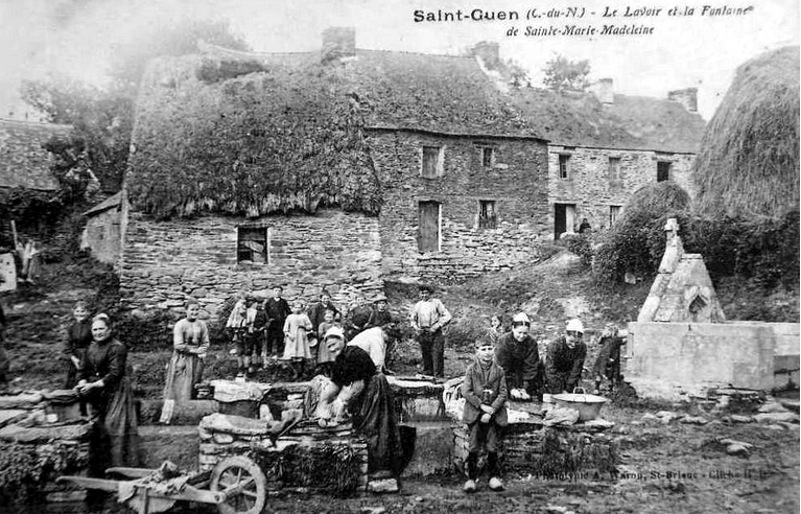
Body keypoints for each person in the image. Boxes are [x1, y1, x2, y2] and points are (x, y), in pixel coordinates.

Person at [310, 333, 405, 487]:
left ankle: (381, 469)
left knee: (374, 426)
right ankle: (373, 466)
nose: (332, 348)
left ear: (343, 341)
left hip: (375, 390)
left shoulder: (355, 354)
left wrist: (341, 403)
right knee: (364, 424)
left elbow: (358, 385)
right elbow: (336, 384)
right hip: (364, 392)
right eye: (329, 347)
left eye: (335, 344)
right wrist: (322, 402)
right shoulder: (340, 359)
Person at [76, 314, 139, 473]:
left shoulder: (117, 347)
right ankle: (101, 469)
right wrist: (82, 381)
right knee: (96, 428)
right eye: (95, 329)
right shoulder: (91, 347)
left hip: (116, 391)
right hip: (98, 393)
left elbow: (115, 374)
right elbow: (82, 369)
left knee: (114, 427)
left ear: (109, 330)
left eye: (101, 329)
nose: (98, 332)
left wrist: (92, 385)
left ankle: (120, 470)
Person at [461, 339, 508, 493]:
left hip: (493, 414)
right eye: (483, 349)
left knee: (492, 444)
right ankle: (471, 478)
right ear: (477, 351)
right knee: (473, 444)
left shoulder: (499, 371)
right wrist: (482, 407)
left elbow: (503, 393)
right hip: (476, 411)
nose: (487, 352)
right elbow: (466, 391)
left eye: (490, 348)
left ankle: (493, 477)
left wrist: (492, 410)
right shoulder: (471, 370)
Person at [162, 300, 209, 418]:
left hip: (197, 360)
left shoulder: (202, 325)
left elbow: (205, 342)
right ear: (186, 310)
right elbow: (178, 345)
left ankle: (190, 415)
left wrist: (202, 351)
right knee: (180, 386)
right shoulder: (180, 324)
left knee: (195, 384)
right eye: (192, 309)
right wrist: (193, 350)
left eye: (197, 309)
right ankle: (175, 414)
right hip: (182, 359)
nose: (194, 312)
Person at [495, 312, 542, 401]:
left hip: (522, 375)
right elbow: (502, 367)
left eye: (525, 333)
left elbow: (531, 367)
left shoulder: (531, 343)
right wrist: (511, 389)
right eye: (519, 332)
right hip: (506, 375)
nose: (522, 336)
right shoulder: (503, 341)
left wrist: (524, 388)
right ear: (513, 328)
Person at [410, 284, 451, 379]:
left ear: (430, 293)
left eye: (426, 293)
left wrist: (436, 326)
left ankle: (439, 377)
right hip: (423, 333)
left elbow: (447, 316)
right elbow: (413, 319)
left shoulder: (436, 303)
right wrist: (416, 328)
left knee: (437, 354)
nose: (424, 295)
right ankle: (428, 375)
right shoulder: (418, 305)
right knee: (426, 354)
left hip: (435, 332)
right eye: (422, 293)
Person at [545, 319, 588, 394]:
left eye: (577, 342)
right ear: (565, 335)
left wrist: (568, 389)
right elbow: (550, 370)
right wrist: (559, 391)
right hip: (553, 375)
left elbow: (576, 369)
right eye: (571, 341)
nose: (573, 345)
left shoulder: (582, 347)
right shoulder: (554, 345)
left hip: (569, 375)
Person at [63, 301, 93, 388]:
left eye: (82, 311)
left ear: (88, 312)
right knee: (72, 378)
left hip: (89, 355)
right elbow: (67, 343)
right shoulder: (71, 327)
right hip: (75, 356)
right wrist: (73, 358)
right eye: (77, 311)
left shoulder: (92, 325)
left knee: (85, 377)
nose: (80, 314)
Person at [592, 323, 626, 394]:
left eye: (606, 329)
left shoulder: (616, 339)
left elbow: (624, 341)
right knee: (599, 374)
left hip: (611, 358)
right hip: (603, 358)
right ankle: (597, 388)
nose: (605, 330)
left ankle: (609, 390)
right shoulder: (605, 338)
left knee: (610, 375)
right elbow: (599, 341)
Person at [283, 300, 312, 379]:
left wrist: (304, 327)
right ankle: (294, 372)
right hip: (292, 339)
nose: (297, 309)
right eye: (296, 307)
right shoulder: (290, 317)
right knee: (292, 356)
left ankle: (302, 373)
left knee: (301, 355)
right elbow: (285, 329)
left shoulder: (304, 316)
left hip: (301, 339)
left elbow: (310, 326)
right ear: (293, 308)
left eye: (299, 307)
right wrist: (289, 335)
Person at [264, 286, 291, 359]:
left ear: (281, 292)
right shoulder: (269, 302)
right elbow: (265, 312)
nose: (277, 292)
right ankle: (269, 352)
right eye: (276, 290)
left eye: (279, 291)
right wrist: (268, 320)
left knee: (280, 337)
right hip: (271, 323)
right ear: (273, 292)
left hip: (280, 323)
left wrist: (286, 320)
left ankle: (280, 352)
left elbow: (288, 311)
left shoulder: (283, 302)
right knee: (270, 338)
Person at [226, 297, 250, 378]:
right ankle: (240, 370)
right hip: (237, 333)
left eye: (243, 305)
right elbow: (230, 321)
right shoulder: (234, 316)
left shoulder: (248, 313)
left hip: (246, 333)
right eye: (239, 307)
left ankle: (246, 370)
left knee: (247, 352)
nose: (241, 309)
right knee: (239, 352)